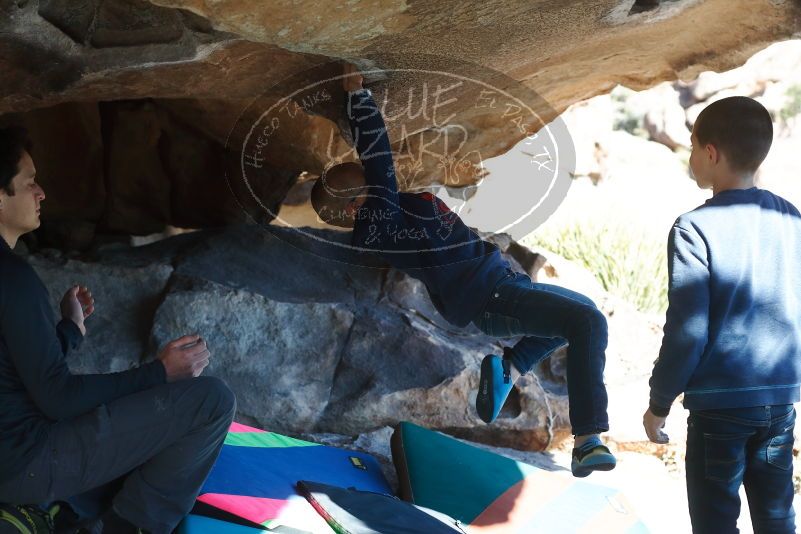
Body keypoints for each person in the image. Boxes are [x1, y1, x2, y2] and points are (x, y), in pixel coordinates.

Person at [311, 64, 615, 477]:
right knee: (587, 321)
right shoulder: (378, 221)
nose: (371, 178)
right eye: (360, 181)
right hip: (489, 294)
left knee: (577, 312)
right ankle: (587, 439)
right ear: (352, 206)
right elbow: (377, 155)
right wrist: (357, 97)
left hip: (496, 286)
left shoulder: (389, 216)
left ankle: (507, 369)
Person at [0, 126, 236, 534]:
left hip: (15, 455)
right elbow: (57, 398)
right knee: (210, 401)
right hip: (23, 464)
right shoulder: (13, 279)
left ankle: (55, 510)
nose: (41, 193)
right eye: (29, 183)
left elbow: (17, 371)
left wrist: (71, 330)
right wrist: (160, 373)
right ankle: (125, 527)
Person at [643, 96, 798, 533]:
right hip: (779, 402)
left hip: (719, 410)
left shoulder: (693, 228)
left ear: (711, 153)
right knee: (776, 518)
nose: (691, 157)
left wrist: (659, 402)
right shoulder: (791, 218)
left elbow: (687, 331)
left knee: (715, 524)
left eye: (693, 146)